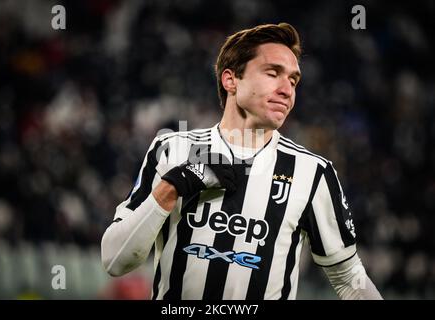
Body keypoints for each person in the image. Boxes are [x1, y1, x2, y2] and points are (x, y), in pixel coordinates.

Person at [101, 22, 382, 300]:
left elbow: (348, 278)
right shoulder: (171, 149)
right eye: (273, 73)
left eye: (294, 81)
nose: (287, 90)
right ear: (231, 80)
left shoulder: (313, 173)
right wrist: (171, 188)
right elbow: (115, 260)